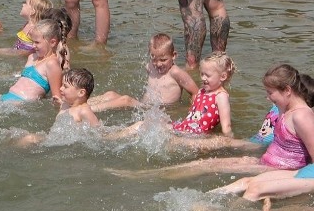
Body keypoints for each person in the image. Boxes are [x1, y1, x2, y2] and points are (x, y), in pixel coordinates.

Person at [122, 64, 314, 179]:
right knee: (206, 163)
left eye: (270, 93)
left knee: (209, 162)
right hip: (263, 156)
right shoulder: (284, 109)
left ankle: (148, 174)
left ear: (289, 91)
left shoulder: (301, 115)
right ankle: (149, 174)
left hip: (269, 163)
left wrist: (290, 178)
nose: (267, 98)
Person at [88, 33, 199, 112]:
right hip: (146, 106)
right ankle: (80, 104)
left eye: (163, 60)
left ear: (174, 56)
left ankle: (89, 110)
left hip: (162, 110)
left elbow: (196, 93)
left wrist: (192, 112)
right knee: (110, 94)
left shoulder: (176, 72)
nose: (158, 64)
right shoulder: (150, 67)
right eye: (154, 59)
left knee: (126, 100)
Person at [16, 68, 101, 146]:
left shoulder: (83, 111)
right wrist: (60, 103)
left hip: (65, 144)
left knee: (30, 138)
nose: (60, 88)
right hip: (54, 139)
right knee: (27, 137)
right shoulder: (66, 104)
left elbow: (97, 131)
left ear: (81, 93)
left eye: (65, 86)